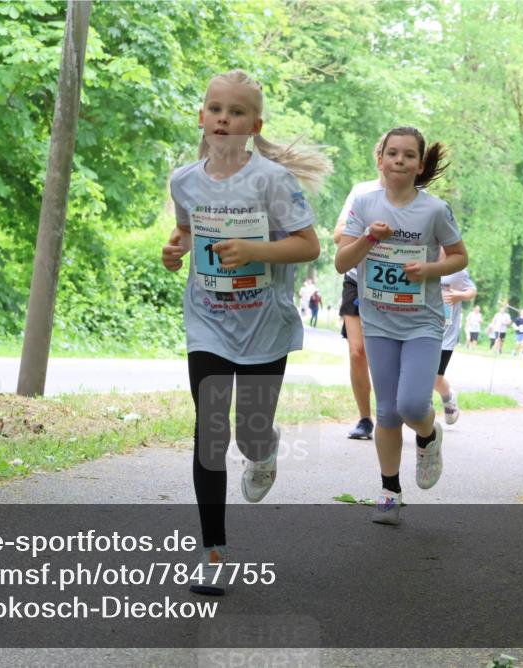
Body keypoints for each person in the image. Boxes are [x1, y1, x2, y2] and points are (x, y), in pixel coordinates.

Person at [162, 69, 331, 595]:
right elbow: (188, 231)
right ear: (201, 117)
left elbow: (308, 247)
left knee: (249, 433)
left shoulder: (272, 182)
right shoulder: (184, 180)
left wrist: (255, 250)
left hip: (264, 324)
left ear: (254, 125)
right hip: (208, 321)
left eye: (236, 112)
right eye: (215, 109)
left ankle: (265, 448)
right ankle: (213, 551)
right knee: (210, 432)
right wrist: (175, 250)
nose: (223, 119)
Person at [335, 125, 467, 525]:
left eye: (408, 155)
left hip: (422, 323)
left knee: (412, 405)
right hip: (377, 321)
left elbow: (459, 257)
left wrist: (430, 268)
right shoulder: (364, 201)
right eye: (392, 153)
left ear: (420, 164)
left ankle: (428, 435)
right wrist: (368, 241)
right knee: (388, 412)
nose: (399, 160)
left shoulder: (434, 210)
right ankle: (389, 490)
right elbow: (342, 262)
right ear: (381, 159)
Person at [332, 153, 385, 441]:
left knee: (388, 355)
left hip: (395, 287)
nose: (393, 160)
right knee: (357, 351)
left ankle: (395, 411)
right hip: (357, 278)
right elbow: (338, 234)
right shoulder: (362, 192)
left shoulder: (420, 197)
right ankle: (365, 419)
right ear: (378, 159)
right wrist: (369, 232)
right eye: (387, 154)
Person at [437, 250, 477, 425]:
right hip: (424, 328)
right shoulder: (423, 262)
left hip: (446, 333)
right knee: (422, 375)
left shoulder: (457, 270)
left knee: (435, 378)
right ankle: (424, 415)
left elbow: (472, 290)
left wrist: (459, 295)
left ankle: (448, 398)